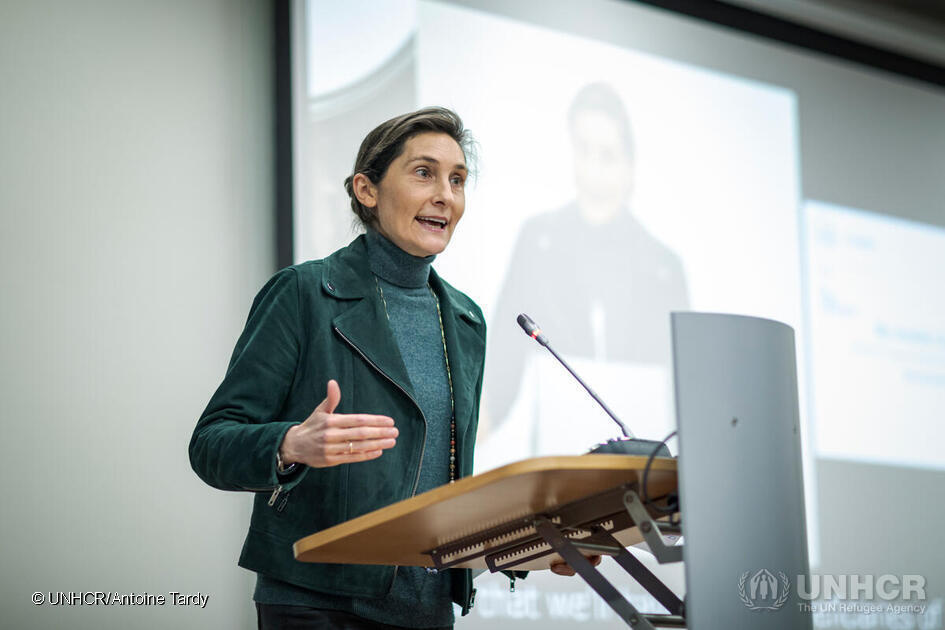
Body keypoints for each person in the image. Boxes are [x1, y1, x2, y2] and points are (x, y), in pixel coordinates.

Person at [190, 107, 487, 629]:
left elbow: (441, 475)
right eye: (424, 173)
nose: (446, 194)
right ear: (366, 190)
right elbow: (212, 443)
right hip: (318, 604)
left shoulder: (465, 321)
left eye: (457, 179)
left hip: (428, 611)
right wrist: (289, 446)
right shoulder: (305, 293)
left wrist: (540, 546)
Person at [484, 82, 690, 441]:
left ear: (629, 163)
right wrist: (466, 439)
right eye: (584, 150)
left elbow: (688, 385)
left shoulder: (663, 267)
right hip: (558, 453)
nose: (593, 166)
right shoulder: (538, 241)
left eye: (607, 153)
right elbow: (504, 356)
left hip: (646, 462)